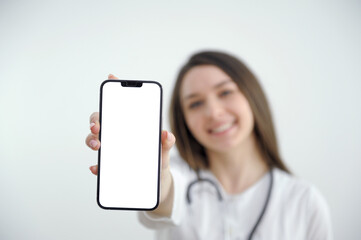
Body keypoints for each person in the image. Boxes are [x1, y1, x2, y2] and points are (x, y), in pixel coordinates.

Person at [85, 51, 333, 240]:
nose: (214, 112)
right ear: (184, 121)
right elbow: (164, 201)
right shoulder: (177, 178)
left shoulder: (304, 201)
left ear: (252, 96)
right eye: (195, 104)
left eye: (225, 93)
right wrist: (155, 179)